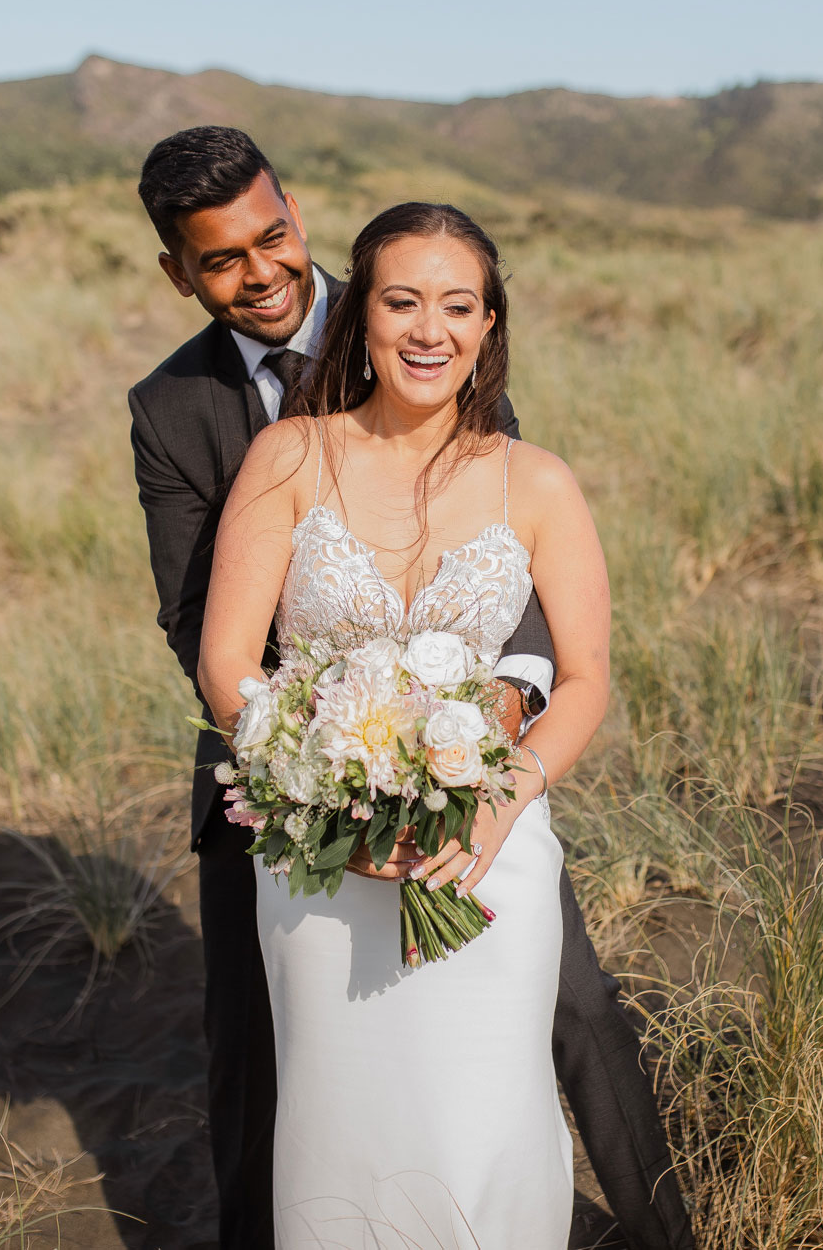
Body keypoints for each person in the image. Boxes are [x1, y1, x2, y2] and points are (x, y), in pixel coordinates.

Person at [129, 129, 691, 1248]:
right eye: (224, 259)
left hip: (480, 790)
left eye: (273, 236)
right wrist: (326, 771)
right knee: (266, 1065)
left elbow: (533, 611)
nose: (261, 271)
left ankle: (667, 1232)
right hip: (290, 789)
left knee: (554, 1029)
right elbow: (204, 627)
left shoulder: (489, 425)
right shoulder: (188, 415)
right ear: (181, 273)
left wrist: (488, 744)